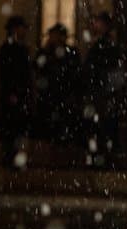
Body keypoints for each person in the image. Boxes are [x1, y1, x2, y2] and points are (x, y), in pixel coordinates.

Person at [82, 11, 124, 168]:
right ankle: (101, 158)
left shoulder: (106, 46)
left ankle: (102, 159)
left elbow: (112, 72)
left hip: (102, 93)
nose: (95, 25)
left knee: (103, 127)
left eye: (98, 22)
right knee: (100, 127)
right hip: (100, 92)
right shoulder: (102, 45)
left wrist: (108, 90)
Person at [32, 23, 82, 153]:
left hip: (63, 97)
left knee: (62, 131)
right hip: (49, 97)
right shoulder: (46, 52)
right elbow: (37, 67)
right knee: (49, 132)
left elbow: (75, 74)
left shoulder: (70, 53)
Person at [0, 15, 32, 167]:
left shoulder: (18, 49)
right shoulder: (9, 49)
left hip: (18, 97)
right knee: (12, 132)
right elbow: (7, 74)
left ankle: (13, 160)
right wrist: (13, 92)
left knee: (16, 131)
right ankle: (10, 160)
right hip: (13, 97)